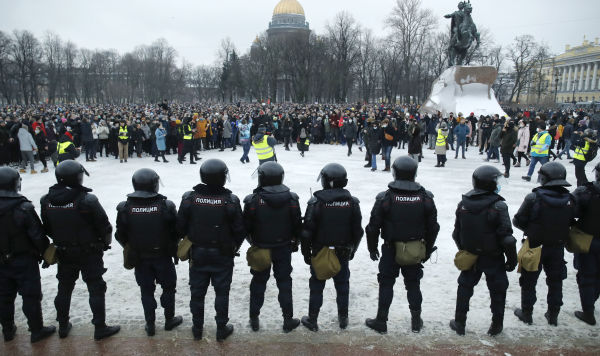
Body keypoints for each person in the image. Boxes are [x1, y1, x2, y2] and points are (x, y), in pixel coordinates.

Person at [40, 160, 120, 340]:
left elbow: (46, 227)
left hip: (64, 251)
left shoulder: (46, 200)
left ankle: (62, 325)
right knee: (96, 288)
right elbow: (104, 226)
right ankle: (100, 327)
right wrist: (104, 244)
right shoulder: (87, 200)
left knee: (64, 287)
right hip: (89, 251)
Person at [365, 156, 440, 333]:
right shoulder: (425, 198)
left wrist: (372, 247)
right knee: (413, 284)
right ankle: (416, 321)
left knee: (386, 284)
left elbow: (372, 227)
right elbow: (433, 228)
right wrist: (427, 249)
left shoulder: (385, 197)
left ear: (395, 172)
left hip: (391, 248)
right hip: (415, 249)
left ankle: (381, 321)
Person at [176, 159, 245, 341]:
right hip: (222, 253)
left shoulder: (190, 198)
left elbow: (180, 227)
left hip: (197, 253)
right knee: (222, 292)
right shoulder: (230, 200)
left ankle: (197, 327)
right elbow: (239, 230)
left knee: (197, 292)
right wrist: (232, 246)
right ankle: (221, 328)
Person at [450, 165, 517, 336]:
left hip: (471, 255)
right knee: (498, 290)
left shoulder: (463, 204)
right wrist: (512, 259)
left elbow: (456, 233)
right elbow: (507, 238)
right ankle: (496, 324)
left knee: (465, 287)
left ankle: (459, 322)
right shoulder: (498, 206)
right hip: (493, 257)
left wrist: (465, 250)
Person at [115, 169, 182, 336]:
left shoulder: (125, 207)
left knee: (146, 290)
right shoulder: (166, 206)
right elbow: (177, 231)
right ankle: (169, 319)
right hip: (163, 256)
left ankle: (150, 324)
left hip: (140, 257)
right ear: (154, 184)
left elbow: (120, 234)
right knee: (168, 288)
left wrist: (131, 246)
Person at [300, 163, 363, 331]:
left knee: (317, 286)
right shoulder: (352, 202)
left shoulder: (316, 202)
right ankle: (343, 318)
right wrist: (353, 249)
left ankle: (312, 320)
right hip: (343, 251)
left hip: (320, 251)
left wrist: (306, 253)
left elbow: (306, 232)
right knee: (342, 285)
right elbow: (358, 231)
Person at [513, 162, 576, 326]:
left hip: (535, 246)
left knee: (529, 281)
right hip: (557, 246)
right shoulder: (570, 199)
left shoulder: (534, 197)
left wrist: (532, 229)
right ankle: (553, 314)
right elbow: (571, 220)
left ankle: (527, 313)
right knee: (556, 281)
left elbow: (518, 220)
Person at [243, 162, 302, 332]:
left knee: (258, 283)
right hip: (283, 248)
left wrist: (254, 243)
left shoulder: (253, 200)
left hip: (261, 248)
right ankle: (288, 319)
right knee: (284, 283)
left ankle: (254, 318)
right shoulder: (291, 198)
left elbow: (245, 226)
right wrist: (295, 242)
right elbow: (297, 225)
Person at [0, 167, 56, 343]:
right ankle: (36, 329)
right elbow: (37, 235)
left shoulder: (23, 206)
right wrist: (46, 253)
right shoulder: (23, 208)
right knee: (30, 295)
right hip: (23, 259)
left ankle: (7, 329)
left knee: (3, 296)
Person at [572, 163, 600, 325]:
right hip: (590, 238)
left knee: (587, 275)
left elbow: (572, 211)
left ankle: (588, 311)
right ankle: (592, 299)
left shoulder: (586, 191)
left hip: (588, 239)